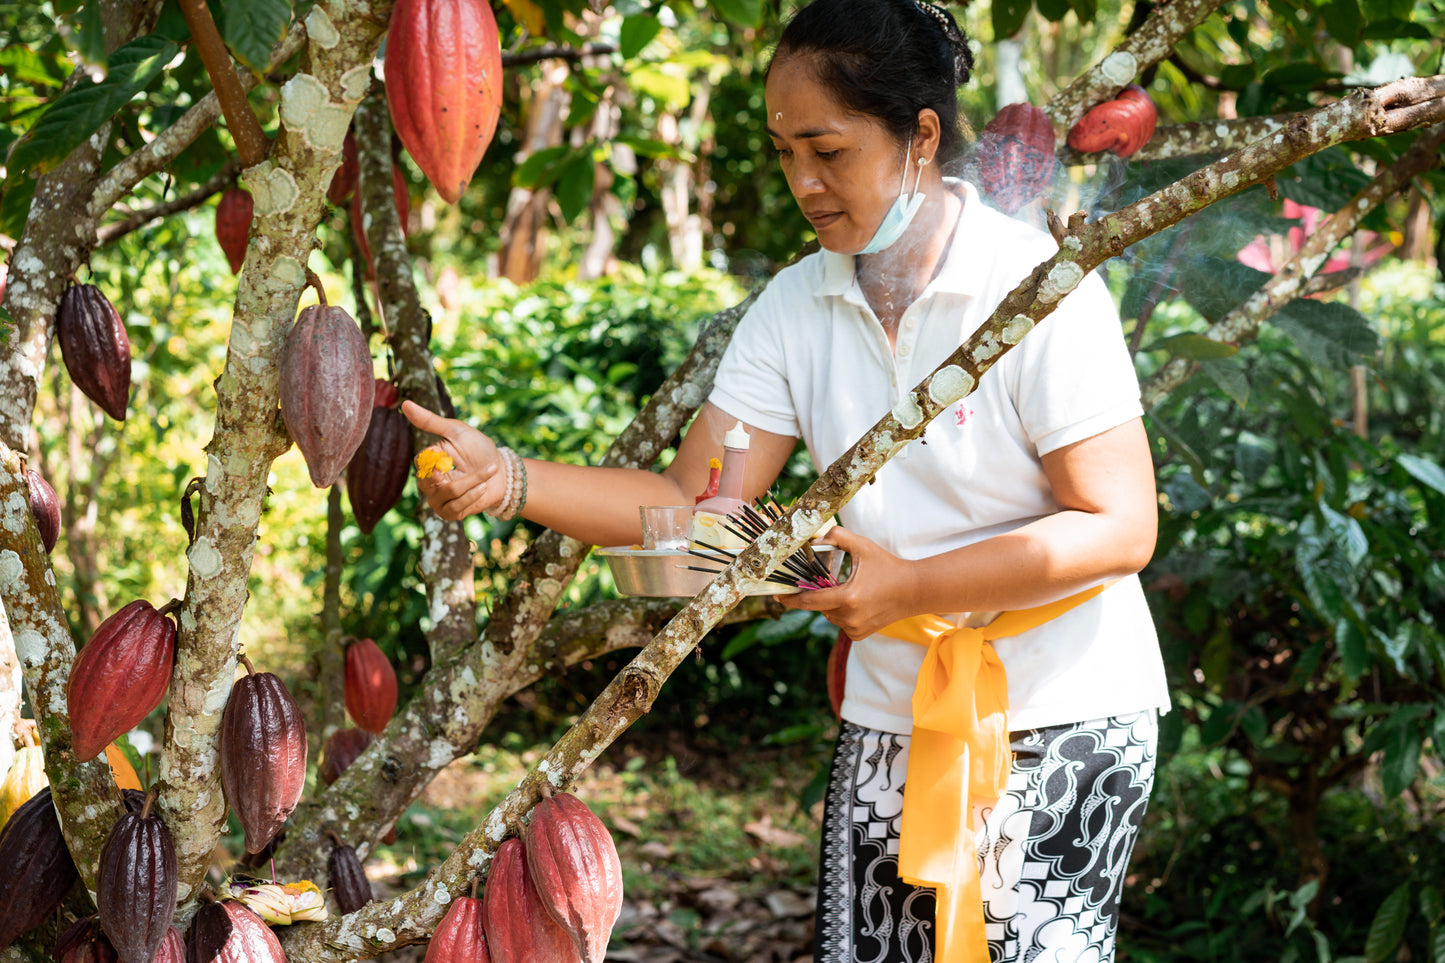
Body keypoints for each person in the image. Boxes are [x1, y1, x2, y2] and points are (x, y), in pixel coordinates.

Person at [403, 0, 1170, 959]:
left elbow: (1119, 526)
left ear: (919, 136)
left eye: (828, 150)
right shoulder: (795, 305)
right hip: (892, 700)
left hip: (1070, 702)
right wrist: (506, 479)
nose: (803, 182)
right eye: (783, 154)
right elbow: (690, 508)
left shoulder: (1040, 284)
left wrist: (914, 586)